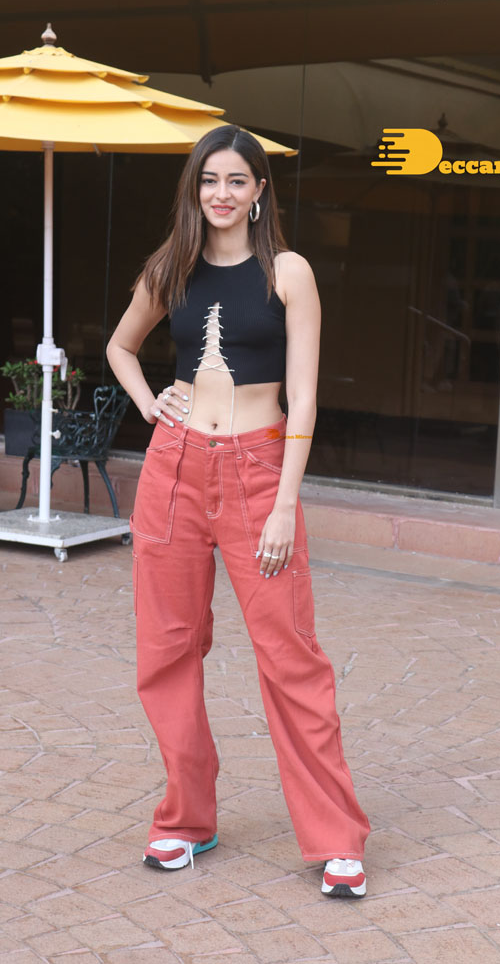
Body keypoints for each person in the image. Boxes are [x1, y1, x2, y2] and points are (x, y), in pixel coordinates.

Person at [106, 124, 370, 899]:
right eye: (209, 179)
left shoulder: (288, 271)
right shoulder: (172, 268)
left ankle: (336, 837)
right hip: (174, 469)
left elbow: (304, 397)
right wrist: (148, 402)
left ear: (259, 191)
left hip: (259, 472)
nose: (221, 193)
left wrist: (286, 501)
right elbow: (122, 346)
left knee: (290, 654)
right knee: (167, 649)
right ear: (194, 189)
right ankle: (186, 819)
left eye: (236, 180)